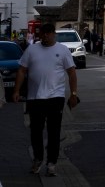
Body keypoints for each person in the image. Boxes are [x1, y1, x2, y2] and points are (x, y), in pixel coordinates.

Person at [14, 23, 79, 177]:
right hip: (35, 98)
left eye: (48, 34)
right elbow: (22, 70)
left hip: (55, 98)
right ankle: (38, 158)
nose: (45, 36)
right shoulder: (32, 49)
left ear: (53, 34)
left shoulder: (62, 50)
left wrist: (74, 93)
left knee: (54, 132)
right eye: (42, 34)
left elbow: (71, 73)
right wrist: (16, 90)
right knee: (36, 131)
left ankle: (51, 163)